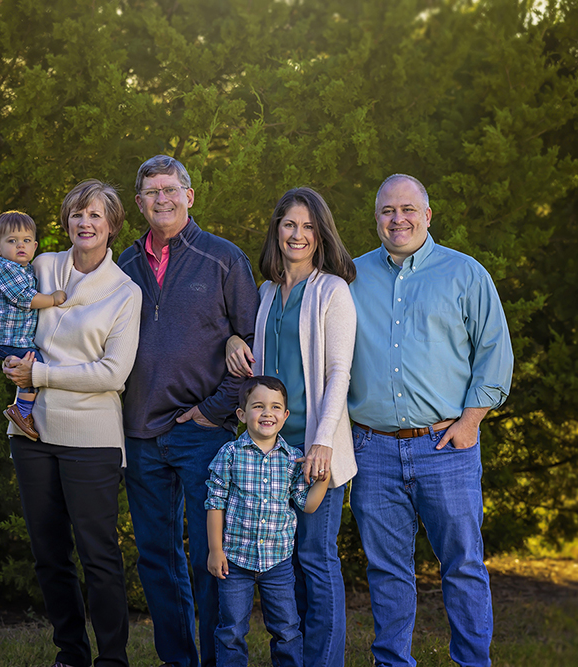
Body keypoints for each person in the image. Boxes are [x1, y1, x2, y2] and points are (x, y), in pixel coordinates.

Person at [348, 174, 514, 667]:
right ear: (376, 217)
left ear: (427, 214)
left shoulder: (465, 274)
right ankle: (392, 662)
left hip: (447, 446)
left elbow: (494, 355)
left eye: (407, 209)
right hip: (373, 450)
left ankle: (472, 662)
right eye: (387, 211)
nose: (397, 219)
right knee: (386, 569)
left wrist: (469, 423)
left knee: (462, 566)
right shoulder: (351, 278)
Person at [117, 155, 260, 667]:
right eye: (152, 191)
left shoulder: (223, 258)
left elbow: (250, 343)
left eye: (171, 189)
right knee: (157, 558)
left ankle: (220, 659)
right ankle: (178, 660)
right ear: (139, 203)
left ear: (189, 196)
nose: (162, 198)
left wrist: (214, 410)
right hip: (140, 431)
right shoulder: (123, 267)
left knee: (208, 556)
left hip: (203, 433)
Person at [2, 180, 141, 667]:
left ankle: (113, 659)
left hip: (91, 438)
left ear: (112, 226)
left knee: (98, 556)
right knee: (49, 554)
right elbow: (7, 312)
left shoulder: (126, 292)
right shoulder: (41, 268)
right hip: (32, 431)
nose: (85, 223)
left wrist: (39, 372)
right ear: (65, 222)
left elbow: (112, 373)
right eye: (78, 214)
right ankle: (71, 654)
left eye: (96, 216)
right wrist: (7, 357)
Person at [223, 187, 357, 666]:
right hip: (268, 450)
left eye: (307, 227)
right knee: (286, 564)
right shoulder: (265, 294)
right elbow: (259, 366)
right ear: (276, 230)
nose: (297, 235)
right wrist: (233, 344)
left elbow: (340, 369)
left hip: (311, 447)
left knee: (316, 559)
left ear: (320, 237)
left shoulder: (331, 291)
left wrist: (322, 443)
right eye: (289, 225)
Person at [205, 376, 330, 667]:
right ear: (242, 414)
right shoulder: (230, 454)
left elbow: (307, 505)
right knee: (232, 630)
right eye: (258, 406)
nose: (267, 413)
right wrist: (215, 550)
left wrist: (322, 481)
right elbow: (215, 502)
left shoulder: (292, 460)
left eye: (275, 407)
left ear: (285, 416)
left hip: (278, 564)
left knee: (286, 630)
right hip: (234, 562)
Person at [0, 210, 68, 439]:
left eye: (26, 241)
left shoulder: (24, 268)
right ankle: (21, 410)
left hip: (11, 338)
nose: (21, 245)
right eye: (12, 241)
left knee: (27, 362)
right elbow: (24, 298)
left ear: (35, 246)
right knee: (34, 364)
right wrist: (53, 299)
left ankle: (22, 408)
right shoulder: (5, 269)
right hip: (1, 338)